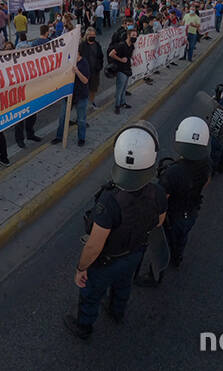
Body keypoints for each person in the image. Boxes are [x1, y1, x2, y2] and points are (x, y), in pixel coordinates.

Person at [64, 121, 167, 339]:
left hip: (106, 262)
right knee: (124, 286)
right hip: (135, 253)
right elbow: (158, 222)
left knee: (91, 295)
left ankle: (84, 327)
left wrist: (81, 268)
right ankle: (117, 312)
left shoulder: (109, 200)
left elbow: (94, 245)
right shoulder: (157, 192)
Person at [159, 117, 211, 267]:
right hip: (191, 211)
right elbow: (207, 180)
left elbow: (162, 200)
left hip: (173, 216)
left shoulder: (173, 172)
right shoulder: (206, 161)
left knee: (165, 244)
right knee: (182, 237)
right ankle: (177, 258)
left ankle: (156, 273)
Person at [51, 47, 90, 146]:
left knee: (81, 119)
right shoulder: (68, 62)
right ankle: (59, 137)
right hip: (68, 94)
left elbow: (85, 80)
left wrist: (77, 71)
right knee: (63, 118)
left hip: (81, 96)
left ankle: (81, 138)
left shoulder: (84, 63)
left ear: (79, 53)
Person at [109, 28, 137, 114]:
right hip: (121, 69)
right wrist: (121, 59)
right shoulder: (121, 45)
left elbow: (130, 54)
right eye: (133, 35)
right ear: (128, 36)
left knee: (124, 88)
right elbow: (111, 54)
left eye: (136, 36)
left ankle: (123, 102)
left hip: (127, 68)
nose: (135, 37)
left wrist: (133, 59)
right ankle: (117, 106)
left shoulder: (132, 46)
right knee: (119, 89)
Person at [79, 27, 103, 109]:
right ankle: (83, 105)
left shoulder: (97, 45)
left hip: (94, 71)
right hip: (84, 72)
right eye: (90, 35)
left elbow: (101, 56)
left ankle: (92, 102)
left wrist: (99, 66)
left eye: (94, 35)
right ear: (87, 35)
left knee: (93, 88)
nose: (92, 36)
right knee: (84, 89)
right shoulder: (82, 45)